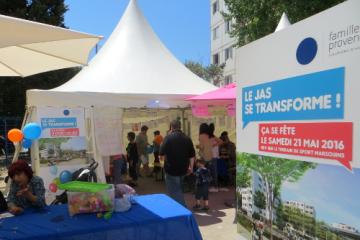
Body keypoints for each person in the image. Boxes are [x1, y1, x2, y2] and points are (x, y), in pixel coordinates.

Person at [159, 120, 195, 207]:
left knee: (174, 191)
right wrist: (191, 167)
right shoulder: (187, 138)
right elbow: (192, 156)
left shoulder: (167, 138)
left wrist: (162, 165)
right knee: (178, 189)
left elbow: (161, 154)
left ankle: (182, 208)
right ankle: (177, 207)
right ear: (180, 127)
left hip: (171, 169)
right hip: (183, 169)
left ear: (171, 127)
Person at [208, 123, 223, 192]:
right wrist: (215, 144)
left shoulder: (211, 137)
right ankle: (214, 186)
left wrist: (214, 145)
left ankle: (214, 186)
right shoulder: (212, 136)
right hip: (213, 155)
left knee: (212, 171)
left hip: (211, 156)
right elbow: (221, 142)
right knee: (213, 171)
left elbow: (221, 142)